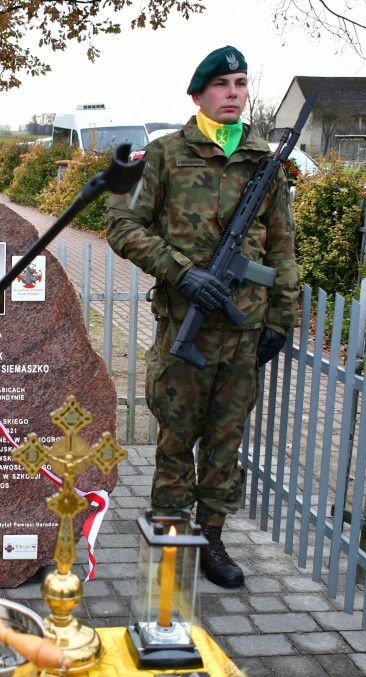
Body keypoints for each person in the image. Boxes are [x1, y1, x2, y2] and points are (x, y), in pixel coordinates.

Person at [104, 46, 300, 588]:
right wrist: (182, 272)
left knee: (225, 441)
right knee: (175, 437)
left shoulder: (265, 162)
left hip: (243, 329)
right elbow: (122, 225)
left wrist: (281, 318)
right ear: (198, 95)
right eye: (222, 85)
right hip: (185, 323)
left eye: (241, 83)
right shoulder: (166, 153)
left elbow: (282, 246)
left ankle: (211, 537)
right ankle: (169, 531)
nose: (234, 92)